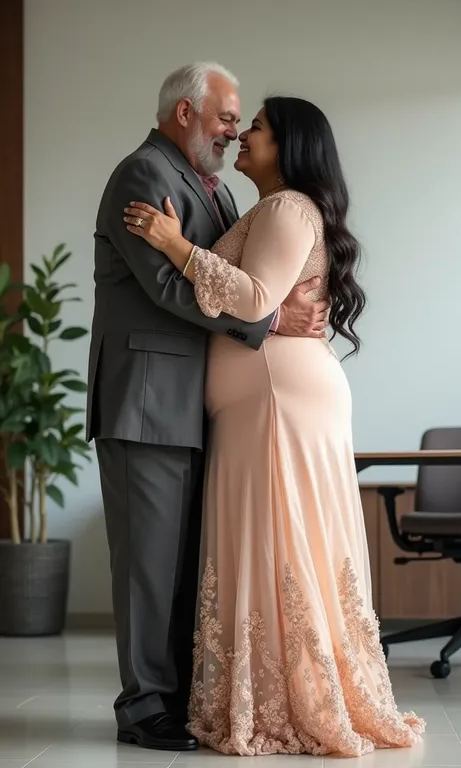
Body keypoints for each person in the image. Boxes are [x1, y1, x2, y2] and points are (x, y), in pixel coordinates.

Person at [124, 96, 426, 758]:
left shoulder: (288, 208)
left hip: (279, 403)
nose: (242, 135)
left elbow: (256, 299)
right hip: (264, 402)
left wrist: (175, 246)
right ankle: (272, 689)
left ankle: (291, 697)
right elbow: (262, 300)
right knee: (271, 542)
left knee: (279, 543)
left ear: (289, 145)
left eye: (255, 126)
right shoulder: (265, 208)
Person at [86, 63, 329, 753]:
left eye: (243, 121)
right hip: (146, 401)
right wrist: (271, 321)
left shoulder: (213, 189)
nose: (233, 129)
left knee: (186, 567)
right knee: (149, 568)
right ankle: (143, 710)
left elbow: (240, 276)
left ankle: (182, 698)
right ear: (186, 111)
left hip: (194, 407)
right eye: (227, 116)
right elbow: (168, 283)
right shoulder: (144, 175)